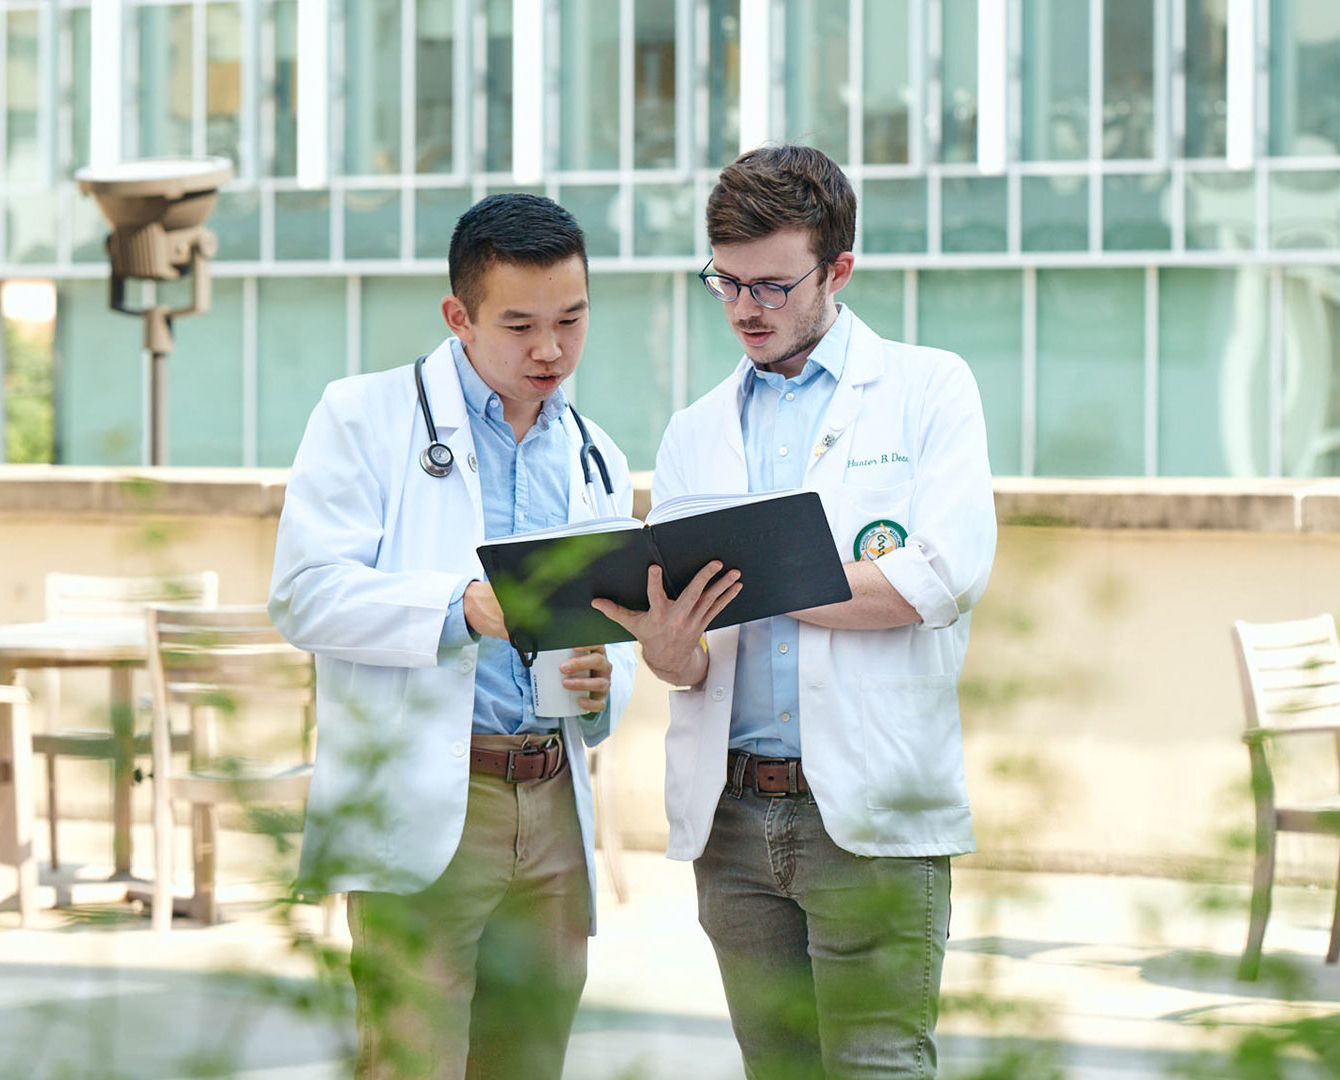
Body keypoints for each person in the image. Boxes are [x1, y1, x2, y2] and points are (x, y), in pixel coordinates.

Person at [594, 146, 997, 1079]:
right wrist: (667, 646)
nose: (745, 310)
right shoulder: (695, 430)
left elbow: (932, 581)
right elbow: (699, 656)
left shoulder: (929, 391)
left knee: (880, 1066)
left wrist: (763, 576)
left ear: (838, 271)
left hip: (865, 815)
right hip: (732, 821)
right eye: (725, 282)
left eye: (772, 286)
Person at [268, 192, 637, 1080]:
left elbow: (613, 637)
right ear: (459, 318)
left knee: (529, 1063)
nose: (551, 349)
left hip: (551, 800)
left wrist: (601, 685)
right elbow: (304, 595)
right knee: (411, 1063)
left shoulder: (598, 457)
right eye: (520, 325)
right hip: (434, 806)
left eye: (572, 320)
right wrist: (460, 607)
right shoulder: (365, 418)